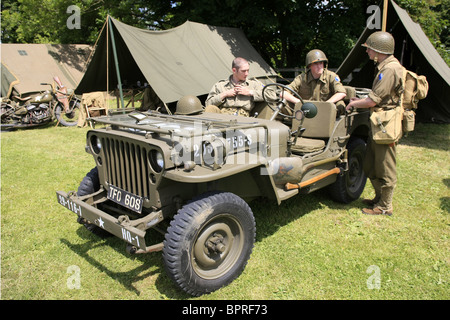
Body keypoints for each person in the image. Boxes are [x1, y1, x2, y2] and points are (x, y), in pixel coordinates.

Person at [345, 31, 404, 216]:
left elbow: (373, 101)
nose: (367, 52)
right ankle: (379, 199)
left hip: (386, 124)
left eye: (369, 49)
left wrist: (354, 103)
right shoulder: (384, 67)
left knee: (385, 166)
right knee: (370, 163)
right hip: (379, 122)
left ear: (379, 50)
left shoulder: (389, 70)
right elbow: (376, 97)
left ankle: (385, 206)